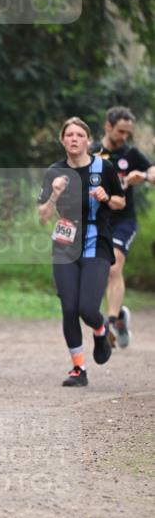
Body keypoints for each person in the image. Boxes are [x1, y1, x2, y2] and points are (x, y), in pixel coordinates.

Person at [38, 117, 125, 387]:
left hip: (96, 242)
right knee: (68, 307)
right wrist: (54, 195)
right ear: (63, 140)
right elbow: (43, 216)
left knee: (87, 308)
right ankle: (78, 369)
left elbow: (121, 202)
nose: (74, 139)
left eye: (79, 135)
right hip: (65, 244)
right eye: (69, 135)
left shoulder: (104, 167)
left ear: (88, 140)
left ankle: (100, 330)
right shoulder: (54, 171)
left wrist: (106, 198)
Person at [89, 106, 155, 348]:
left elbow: (154, 172)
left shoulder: (133, 154)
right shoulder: (93, 151)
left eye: (128, 133)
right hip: (97, 220)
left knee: (113, 267)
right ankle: (119, 321)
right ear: (108, 126)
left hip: (124, 221)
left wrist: (145, 177)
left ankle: (111, 322)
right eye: (120, 131)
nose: (124, 137)